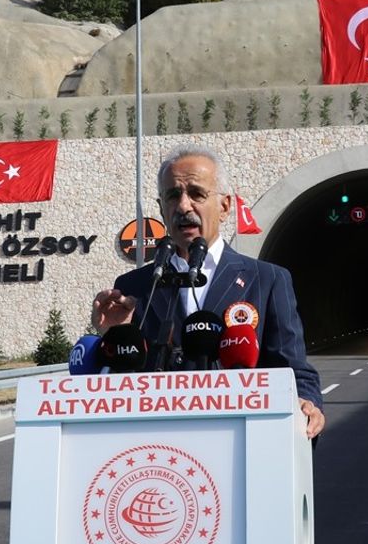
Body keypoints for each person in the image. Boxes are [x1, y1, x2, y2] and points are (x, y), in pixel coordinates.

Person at [92, 144, 325, 439]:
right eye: (173, 195)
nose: (184, 206)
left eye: (197, 194)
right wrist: (110, 338)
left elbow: (294, 371)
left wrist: (307, 402)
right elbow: (113, 386)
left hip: (242, 442)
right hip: (161, 445)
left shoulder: (267, 280)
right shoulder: (134, 286)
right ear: (162, 207)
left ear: (225, 206)